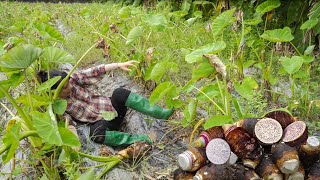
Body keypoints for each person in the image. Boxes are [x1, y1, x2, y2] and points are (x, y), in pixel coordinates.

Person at [37, 61, 174, 147]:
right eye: (65, 88)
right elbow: (69, 124)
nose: (69, 87)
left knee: (118, 92)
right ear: (55, 92)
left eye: (68, 83)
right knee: (95, 134)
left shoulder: (72, 80)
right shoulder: (58, 106)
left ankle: (159, 113)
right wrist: (74, 143)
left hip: (112, 109)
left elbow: (93, 71)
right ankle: (138, 140)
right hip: (104, 123)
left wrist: (118, 65)